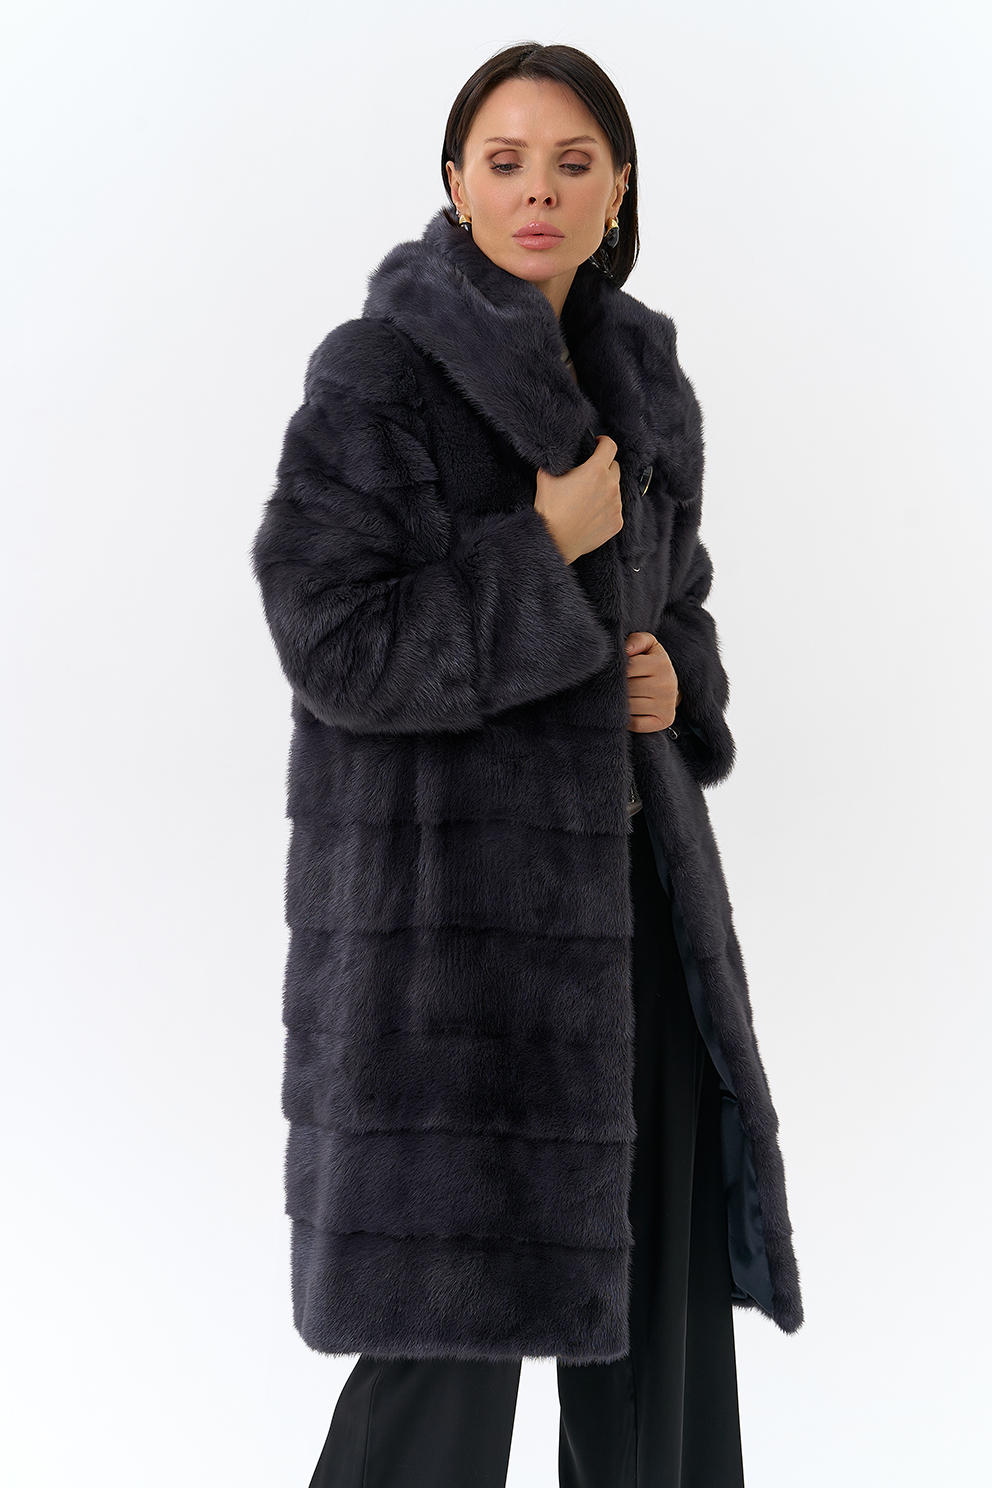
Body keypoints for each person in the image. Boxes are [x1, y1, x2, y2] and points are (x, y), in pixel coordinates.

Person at [252, 40, 803, 1488]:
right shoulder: (380, 374)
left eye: (572, 163)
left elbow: (680, 597)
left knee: (658, 1348)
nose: (538, 191)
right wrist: (540, 559)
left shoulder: (644, 375)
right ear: (456, 182)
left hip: (635, 918)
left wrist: (677, 678)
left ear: (619, 188)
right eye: (505, 163)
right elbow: (332, 641)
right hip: (453, 950)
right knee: (438, 1359)